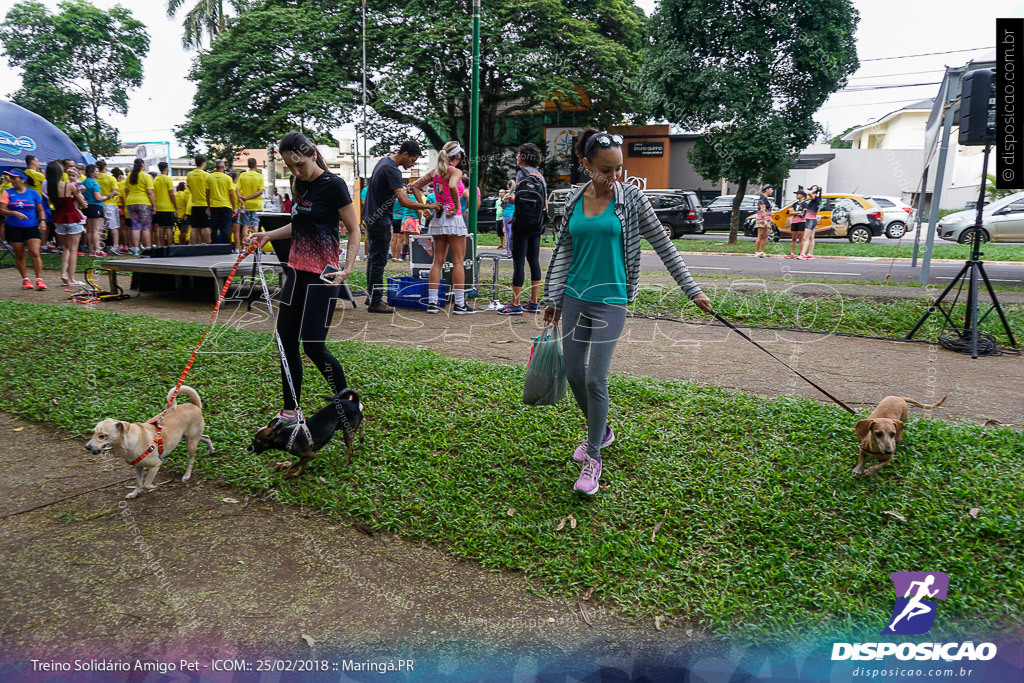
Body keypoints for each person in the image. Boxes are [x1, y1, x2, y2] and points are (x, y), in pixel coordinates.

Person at [543, 129, 712, 495]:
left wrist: (691, 288)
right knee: (574, 374)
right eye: (606, 169)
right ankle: (601, 431)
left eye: (619, 168)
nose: (614, 176)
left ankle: (593, 458)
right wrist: (553, 298)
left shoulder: (631, 199)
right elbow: (563, 253)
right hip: (574, 296)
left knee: (595, 379)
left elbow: (664, 245)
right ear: (586, 164)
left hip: (611, 299)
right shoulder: (574, 200)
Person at [245, 132, 361, 429]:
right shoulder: (300, 185)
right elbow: (299, 224)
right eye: (289, 166)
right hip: (295, 272)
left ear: (311, 154)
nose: (296, 171)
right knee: (286, 343)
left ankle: (349, 404)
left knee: (313, 346)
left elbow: (354, 229)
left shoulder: (334, 185)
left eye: (299, 164)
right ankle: (290, 410)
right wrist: (268, 235)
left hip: (323, 276)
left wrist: (346, 269)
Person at [364, 140, 439, 313]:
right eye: (412, 160)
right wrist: (429, 206)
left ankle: (372, 296)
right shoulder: (392, 170)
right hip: (380, 218)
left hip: (372, 215)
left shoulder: (384, 162)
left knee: (374, 258)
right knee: (379, 260)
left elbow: (407, 192)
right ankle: (375, 301)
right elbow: (404, 201)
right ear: (405, 154)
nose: (412, 164)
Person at [408, 141, 473, 314]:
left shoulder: (435, 172)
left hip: (437, 216)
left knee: (437, 261)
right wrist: (457, 205)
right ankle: (459, 304)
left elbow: (414, 186)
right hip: (453, 217)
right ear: (458, 156)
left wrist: (425, 209)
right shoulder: (455, 171)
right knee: (458, 261)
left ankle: (432, 303)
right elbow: (452, 186)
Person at [500, 143, 547, 315]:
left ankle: (515, 304)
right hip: (536, 224)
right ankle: (534, 302)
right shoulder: (540, 176)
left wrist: (510, 199)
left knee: (518, 262)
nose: (517, 157)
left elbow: (519, 199)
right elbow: (544, 202)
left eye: (518, 154)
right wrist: (542, 223)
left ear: (524, 157)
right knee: (534, 261)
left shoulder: (521, 174)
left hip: (521, 224)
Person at [0, 169, 47, 289]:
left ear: (22, 179)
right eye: (10, 178)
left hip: (32, 226)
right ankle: (25, 280)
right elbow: (1, 210)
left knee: (35, 252)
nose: (11, 180)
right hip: (14, 227)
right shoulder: (7, 192)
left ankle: (39, 280)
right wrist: (14, 213)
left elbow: (40, 209)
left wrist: (42, 221)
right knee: (19, 254)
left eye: (14, 178)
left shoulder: (33, 193)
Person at [47, 160, 87, 284]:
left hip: (59, 219)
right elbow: (82, 203)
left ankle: (64, 273)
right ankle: (71, 278)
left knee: (66, 248)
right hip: (72, 217)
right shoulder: (69, 185)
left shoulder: (49, 186)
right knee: (73, 249)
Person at [124, 158, 155, 254]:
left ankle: (136, 248)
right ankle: (148, 248)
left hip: (130, 202)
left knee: (135, 226)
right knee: (146, 227)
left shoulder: (129, 176)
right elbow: (150, 192)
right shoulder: (147, 176)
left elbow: (126, 190)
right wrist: (154, 206)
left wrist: (129, 199)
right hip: (144, 203)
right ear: (142, 165)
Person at [82, 164, 114, 259]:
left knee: (90, 230)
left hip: (87, 206)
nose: (98, 173)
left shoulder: (84, 182)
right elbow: (98, 198)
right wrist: (109, 196)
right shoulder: (94, 183)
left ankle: (91, 250)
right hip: (96, 207)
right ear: (91, 172)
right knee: (96, 230)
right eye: (96, 171)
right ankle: (97, 250)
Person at [207, 160, 236, 247]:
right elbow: (231, 194)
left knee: (214, 228)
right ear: (223, 167)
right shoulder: (227, 178)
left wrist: (208, 206)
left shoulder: (209, 178)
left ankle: (214, 246)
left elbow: (207, 194)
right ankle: (227, 246)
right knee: (226, 227)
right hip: (226, 205)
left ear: (215, 167)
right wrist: (233, 207)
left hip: (214, 206)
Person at [96, 160, 122, 255]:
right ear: (105, 168)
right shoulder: (111, 179)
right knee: (113, 227)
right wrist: (107, 197)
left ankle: (99, 247)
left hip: (97, 204)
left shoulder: (94, 178)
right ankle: (115, 246)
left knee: (100, 227)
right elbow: (115, 191)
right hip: (110, 204)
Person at [238, 158, 265, 248]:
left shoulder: (242, 175)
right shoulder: (259, 176)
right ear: (256, 165)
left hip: (245, 206)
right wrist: (248, 197)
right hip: (257, 205)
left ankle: (244, 247)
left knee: (245, 226)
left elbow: (237, 190)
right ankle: (254, 246)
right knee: (255, 226)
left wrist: (243, 200)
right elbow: (261, 191)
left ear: (248, 165)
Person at [186, 155, 211, 244]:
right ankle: (207, 245)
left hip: (194, 204)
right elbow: (209, 190)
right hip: (204, 204)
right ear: (204, 163)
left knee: (194, 227)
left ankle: (192, 245)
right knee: (205, 227)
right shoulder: (207, 175)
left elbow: (189, 187)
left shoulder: (190, 174)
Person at [153, 162, 177, 248]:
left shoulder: (155, 179)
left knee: (161, 227)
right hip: (167, 207)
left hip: (158, 207)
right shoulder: (167, 179)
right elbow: (171, 194)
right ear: (166, 168)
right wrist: (175, 207)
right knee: (169, 227)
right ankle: (170, 245)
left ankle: (162, 246)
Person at [800, 185, 821, 260]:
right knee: (811, 237)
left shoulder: (815, 198)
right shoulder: (817, 200)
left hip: (810, 219)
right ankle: (810, 253)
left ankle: (803, 254)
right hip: (812, 219)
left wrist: (814, 189)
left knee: (805, 238)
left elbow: (809, 193)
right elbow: (818, 210)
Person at [785, 189, 806, 259]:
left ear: (802, 195)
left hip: (801, 222)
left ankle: (801, 253)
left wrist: (796, 212)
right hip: (794, 221)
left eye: (798, 194)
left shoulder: (805, 204)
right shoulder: (795, 204)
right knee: (794, 238)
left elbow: (803, 213)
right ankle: (791, 253)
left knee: (801, 238)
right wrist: (797, 212)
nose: (796, 195)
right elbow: (790, 212)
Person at [754, 184, 774, 258]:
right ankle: (757, 252)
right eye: (771, 189)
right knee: (760, 235)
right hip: (762, 219)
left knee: (765, 236)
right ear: (766, 190)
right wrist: (765, 219)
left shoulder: (766, 198)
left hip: (767, 219)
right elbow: (763, 210)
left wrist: (770, 219)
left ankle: (762, 252)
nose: (772, 191)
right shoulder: (762, 198)